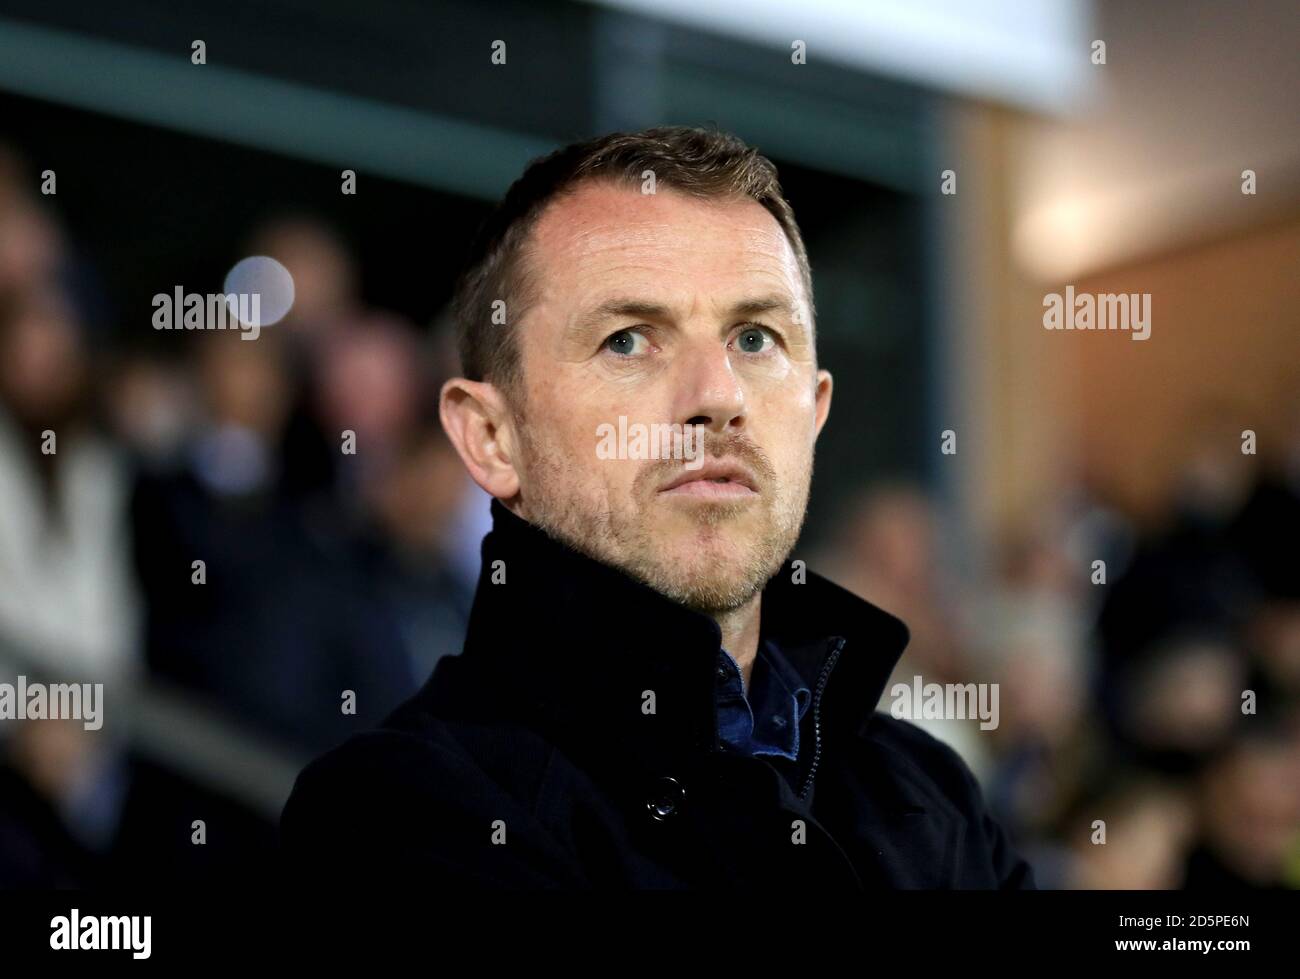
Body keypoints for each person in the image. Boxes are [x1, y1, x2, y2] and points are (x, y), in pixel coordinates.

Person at [280, 126, 1036, 889]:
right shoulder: (394, 815)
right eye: (629, 341)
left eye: (754, 336)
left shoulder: (929, 792)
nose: (718, 395)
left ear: (813, 413)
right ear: (490, 438)